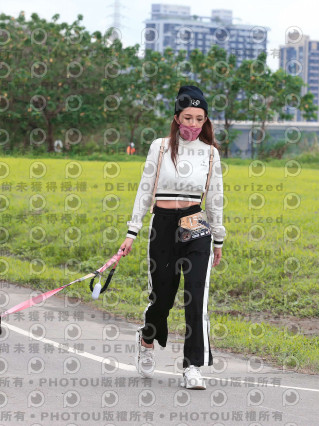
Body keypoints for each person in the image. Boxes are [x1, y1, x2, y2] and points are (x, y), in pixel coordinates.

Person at [119, 85, 225, 390]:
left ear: (206, 121)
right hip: (163, 224)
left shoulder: (210, 153)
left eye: (199, 119)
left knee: (196, 297)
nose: (193, 124)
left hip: (196, 224)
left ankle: (193, 366)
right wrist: (132, 231)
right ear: (177, 117)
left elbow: (215, 197)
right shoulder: (160, 147)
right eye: (188, 117)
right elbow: (144, 189)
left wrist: (218, 238)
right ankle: (147, 337)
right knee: (162, 297)